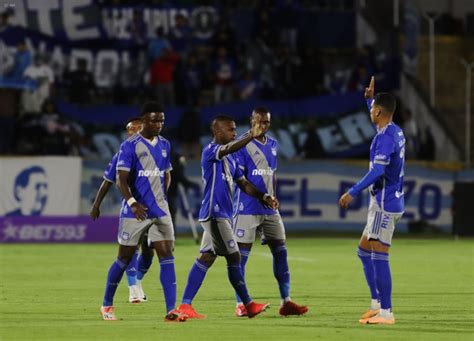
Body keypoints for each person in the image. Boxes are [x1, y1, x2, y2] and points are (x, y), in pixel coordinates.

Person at [176, 115, 278, 319]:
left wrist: (264, 196)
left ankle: (185, 305)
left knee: (206, 257)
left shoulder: (231, 160)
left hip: (223, 215)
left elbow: (244, 184)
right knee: (234, 257)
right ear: (217, 132)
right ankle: (247, 305)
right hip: (215, 214)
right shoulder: (211, 151)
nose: (233, 133)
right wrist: (251, 134)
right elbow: (228, 148)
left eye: (234, 129)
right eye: (230, 130)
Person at [100, 102, 186, 322]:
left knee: (166, 257)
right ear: (144, 121)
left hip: (160, 210)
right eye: (154, 120)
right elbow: (120, 179)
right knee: (124, 258)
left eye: (161, 121)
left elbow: (167, 173)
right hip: (135, 212)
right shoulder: (130, 146)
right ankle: (107, 305)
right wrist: (132, 202)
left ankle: (171, 310)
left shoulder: (166, 144)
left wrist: (162, 197)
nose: (158, 124)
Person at [338, 77, 405, 325]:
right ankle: (376, 304)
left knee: (378, 253)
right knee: (364, 251)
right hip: (387, 200)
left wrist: (352, 191)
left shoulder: (384, 138)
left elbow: (377, 171)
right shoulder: (393, 130)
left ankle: (386, 312)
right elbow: (378, 115)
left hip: (384, 205)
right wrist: (369, 99)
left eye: (372, 109)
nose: (370, 112)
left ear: (379, 111)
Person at [232, 107, 309, 317]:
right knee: (240, 258)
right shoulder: (240, 145)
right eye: (259, 121)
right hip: (246, 208)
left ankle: (286, 302)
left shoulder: (273, 145)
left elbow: (271, 175)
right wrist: (262, 197)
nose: (262, 126)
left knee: (281, 252)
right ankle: (241, 304)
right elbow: (242, 182)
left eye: (266, 122)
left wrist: (273, 196)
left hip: (269, 209)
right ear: (251, 121)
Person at [90, 117, 153, 304]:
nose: (133, 133)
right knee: (131, 249)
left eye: (137, 129)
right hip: (131, 210)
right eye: (130, 130)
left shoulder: (156, 152)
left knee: (149, 252)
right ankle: (133, 288)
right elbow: (108, 181)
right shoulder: (122, 154)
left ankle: (138, 282)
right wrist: (96, 205)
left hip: (153, 210)